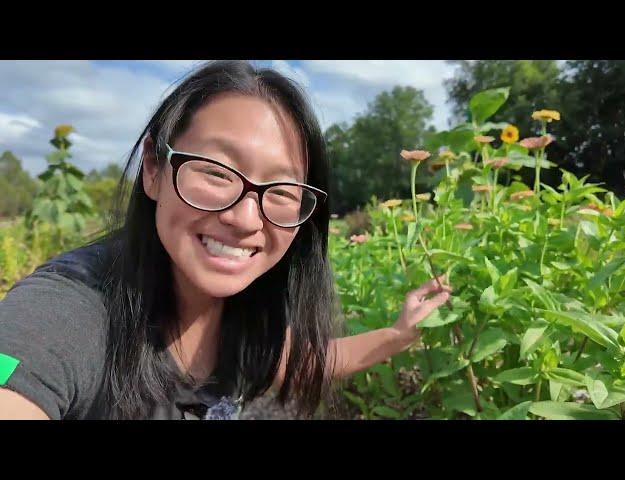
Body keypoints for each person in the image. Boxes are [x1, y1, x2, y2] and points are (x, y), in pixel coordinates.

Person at [0, 60, 452, 420]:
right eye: (216, 173)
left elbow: (303, 363)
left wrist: (399, 334)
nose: (244, 218)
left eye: (282, 190)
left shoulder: (244, 311)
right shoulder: (69, 312)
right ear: (154, 169)